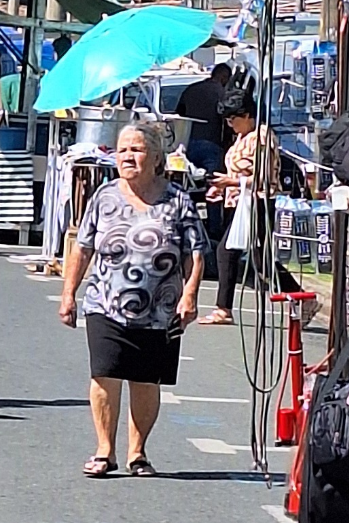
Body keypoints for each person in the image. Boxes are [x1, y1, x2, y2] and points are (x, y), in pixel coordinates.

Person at [58, 124, 206, 478]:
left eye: (136, 150)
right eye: (122, 150)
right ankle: (104, 450)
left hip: (159, 308)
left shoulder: (177, 200)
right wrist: (68, 294)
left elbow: (196, 252)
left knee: (146, 380)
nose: (128, 156)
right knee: (104, 374)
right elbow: (83, 247)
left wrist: (189, 294)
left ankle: (137, 453)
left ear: (155, 158)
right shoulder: (104, 196)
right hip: (105, 302)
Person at [198, 85, 319, 326]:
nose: (230, 125)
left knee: (236, 253)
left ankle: (224, 308)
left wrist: (231, 182)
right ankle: (299, 297)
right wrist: (221, 187)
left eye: (233, 119)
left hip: (259, 202)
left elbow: (264, 177)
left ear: (246, 115)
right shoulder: (242, 137)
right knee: (252, 257)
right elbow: (238, 171)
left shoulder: (262, 137)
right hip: (239, 203)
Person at [176, 64, 232, 241]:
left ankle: (188, 224)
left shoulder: (191, 89)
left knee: (188, 186)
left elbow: (179, 113)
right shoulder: (221, 93)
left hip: (189, 144)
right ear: (224, 78)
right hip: (212, 145)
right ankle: (214, 229)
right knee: (214, 186)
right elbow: (226, 119)